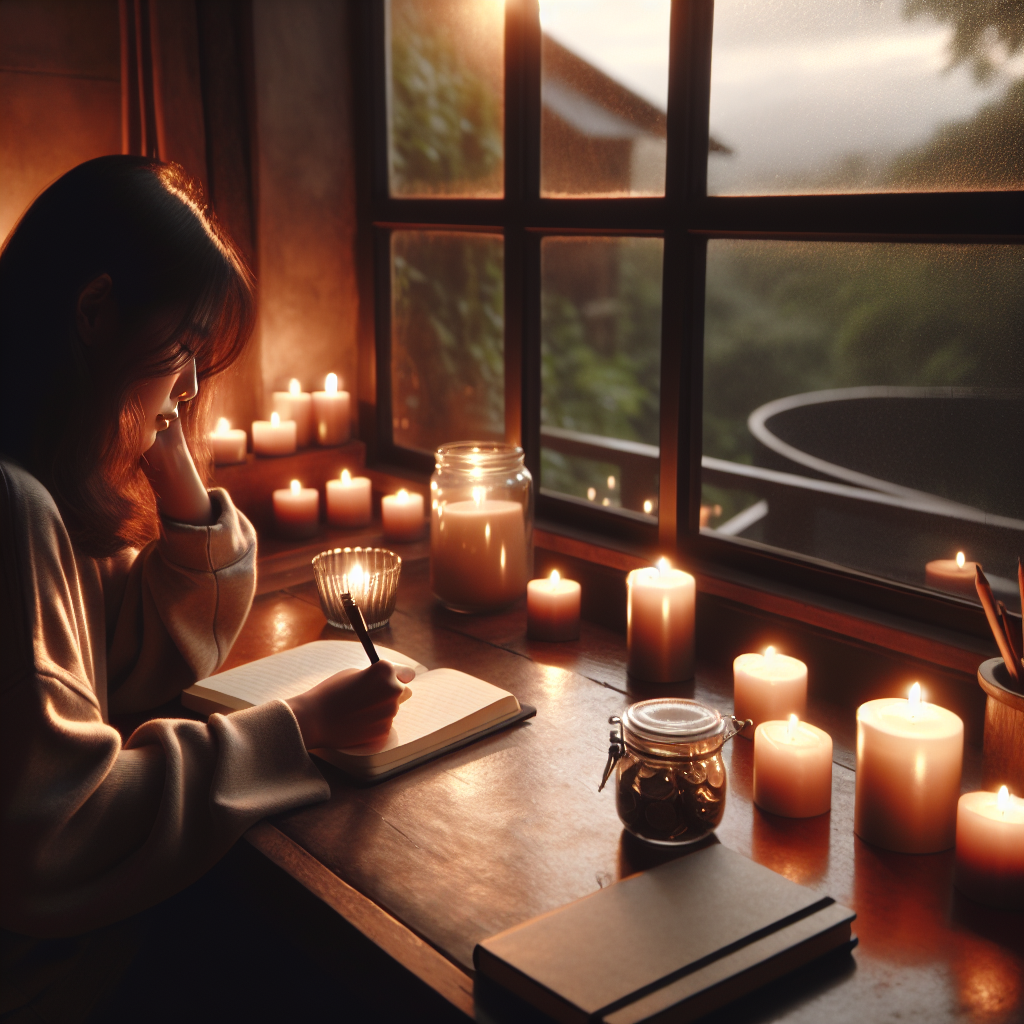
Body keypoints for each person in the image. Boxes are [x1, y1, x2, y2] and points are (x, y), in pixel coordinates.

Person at [0, 156, 412, 1019]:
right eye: (182, 351)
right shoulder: (14, 507)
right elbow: (56, 833)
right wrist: (298, 729)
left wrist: (166, 447)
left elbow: (141, 658)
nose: (190, 388)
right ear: (93, 311)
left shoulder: (38, 489)